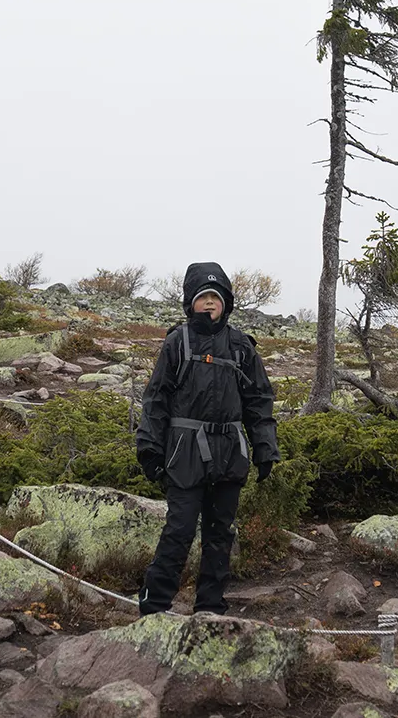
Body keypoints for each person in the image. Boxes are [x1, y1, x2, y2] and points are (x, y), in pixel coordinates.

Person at [134, 262, 279, 616]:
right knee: (179, 531)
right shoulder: (176, 343)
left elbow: (259, 400)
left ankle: (210, 609)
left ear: (226, 302)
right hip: (185, 454)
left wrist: (264, 448)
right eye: (203, 297)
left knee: (220, 534)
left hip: (230, 452)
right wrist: (150, 449)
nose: (210, 303)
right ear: (191, 303)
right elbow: (156, 400)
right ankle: (153, 609)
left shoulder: (242, 346)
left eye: (216, 297)